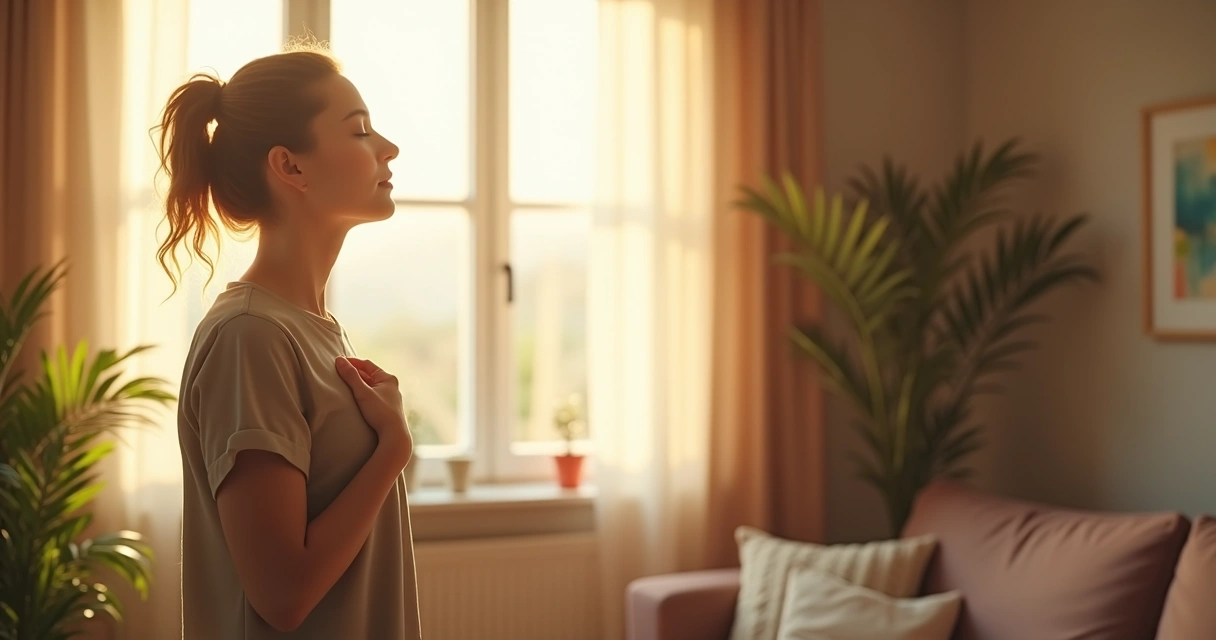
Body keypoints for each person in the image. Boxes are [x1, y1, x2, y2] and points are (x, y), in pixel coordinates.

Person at [155, 47, 422, 639]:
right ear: (290, 167)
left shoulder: (313, 328)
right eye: (360, 130)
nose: (388, 148)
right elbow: (284, 594)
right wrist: (392, 450)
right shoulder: (250, 337)